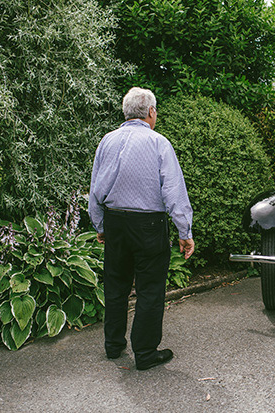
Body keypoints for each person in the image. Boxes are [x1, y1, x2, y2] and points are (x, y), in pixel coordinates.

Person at [89, 87, 194, 371]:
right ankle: (145, 353)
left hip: (114, 222)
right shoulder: (158, 143)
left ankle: (113, 346)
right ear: (150, 112)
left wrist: (99, 224)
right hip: (148, 225)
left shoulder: (107, 141)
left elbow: (95, 188)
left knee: (115, 284)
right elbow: (174, 191)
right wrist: (185, 232)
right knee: (149, 289)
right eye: (155, 111)